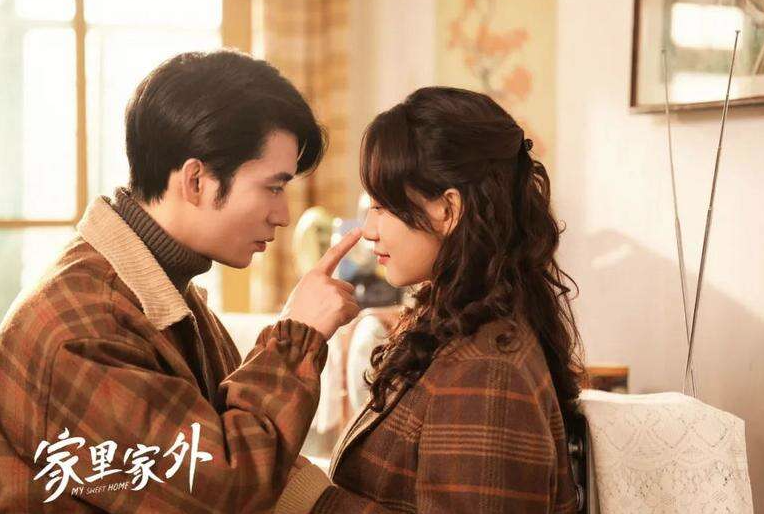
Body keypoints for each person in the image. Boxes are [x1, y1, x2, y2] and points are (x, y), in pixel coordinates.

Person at [0, 49, 360, 513]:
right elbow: (224, 489)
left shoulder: (163, 291)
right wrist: (297, 337)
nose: (283, 215)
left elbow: (250, 448)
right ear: (195, 181)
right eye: (273, 187)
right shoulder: (83, 327)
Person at [275, 86, 585, 513]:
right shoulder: (456, 329)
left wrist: (313, 498)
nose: (368, 230)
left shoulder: (487, 370)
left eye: (382, 207)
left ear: (448, 209)